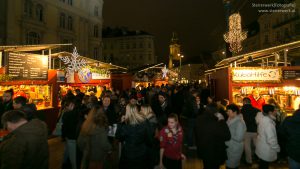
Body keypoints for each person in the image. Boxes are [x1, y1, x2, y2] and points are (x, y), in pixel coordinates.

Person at [116, 104, 152, 169]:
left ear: (127, 111)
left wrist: (120, 123)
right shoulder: (145, 121)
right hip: (142, 152)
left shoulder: (125, 126)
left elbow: (118, 137)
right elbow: (149, 138)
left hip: (129, 153)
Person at [255, 104, 280, 169]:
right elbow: (271, 139)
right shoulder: (268, 123)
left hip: (262, 146)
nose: (276, 112)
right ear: (270, 112)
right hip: (266, 149)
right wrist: (277, 148)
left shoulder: (262, 119)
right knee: (264, 165)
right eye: (274, 110)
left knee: (262, 164)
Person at [225, 104, 246, 169]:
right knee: (229, 165)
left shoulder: (239, 122)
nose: (227, 113)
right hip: (230, 146)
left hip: (235, 147)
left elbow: (239, 138)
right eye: (227, 111)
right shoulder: (230, 119)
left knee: (232, 166)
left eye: (229, 111)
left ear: (235, 112)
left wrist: (227, 134)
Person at [62, 97, 80, 169]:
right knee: (69, 150)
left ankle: (66, 163)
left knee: (71, 154)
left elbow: (64, 127)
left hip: (70, 136)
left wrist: (63, 136)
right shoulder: (78, 113)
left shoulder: (66, 114)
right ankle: (65, 162)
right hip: (75, 136)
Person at [241, 97, 260, 165]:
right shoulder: (257, 110)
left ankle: (249, 161)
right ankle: (260, 158)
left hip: (246, 131)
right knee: (257, 145)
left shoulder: (241, 110)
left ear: (244, 102)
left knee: (247, 146)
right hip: (255, 130)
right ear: (250, 102)